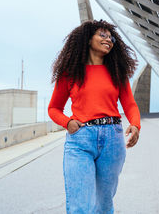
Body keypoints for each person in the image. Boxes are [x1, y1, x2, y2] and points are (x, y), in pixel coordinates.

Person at [48, 19, 140, 214]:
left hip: (113, 140)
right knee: (80, 206)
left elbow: (130, 104)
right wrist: (68, 122)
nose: (109, 40)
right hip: (80, 140)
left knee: (104, 204)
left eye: (111, 37)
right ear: (87, 39)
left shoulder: (117, 73)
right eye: (103, 35)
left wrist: (135, 125)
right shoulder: (69, 73)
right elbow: (54, 108)